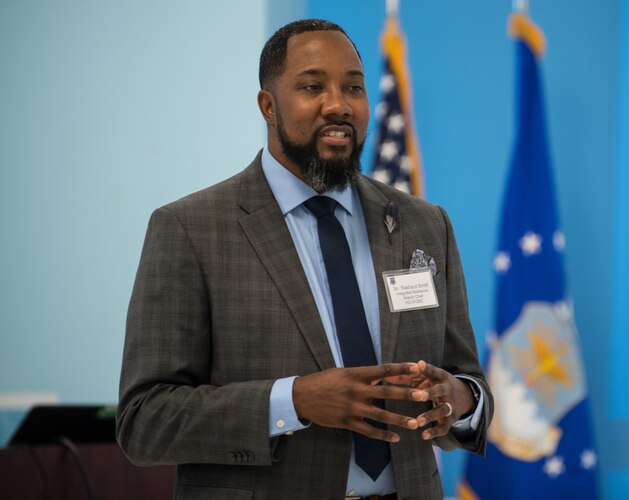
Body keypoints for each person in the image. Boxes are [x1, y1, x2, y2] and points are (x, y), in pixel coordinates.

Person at [117, 19, 492, 500]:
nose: (338, 105)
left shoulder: (425, 224)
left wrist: (461, 400)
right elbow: (144, 421)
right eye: (312, 86)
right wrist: (294, 401)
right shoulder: (191, 228)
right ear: (268, 106)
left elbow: (468, 378)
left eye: (353, 88)